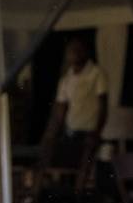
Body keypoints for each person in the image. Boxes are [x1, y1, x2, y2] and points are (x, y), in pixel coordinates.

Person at [40, 37, 107, 191]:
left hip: (89, 132)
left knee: (84, 172)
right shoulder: (66, 79)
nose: (74, 54)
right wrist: (53, 134)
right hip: (71, 133)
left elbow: (103, 107)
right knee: (63, 169)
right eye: (71, 50)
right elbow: (61, 109)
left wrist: (97, 133)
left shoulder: (96, 73)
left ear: (85, 52)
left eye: (78, 50)